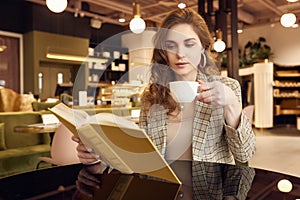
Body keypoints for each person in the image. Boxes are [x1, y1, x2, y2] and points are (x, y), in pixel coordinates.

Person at [72, 8, 255, 168]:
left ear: (203, 47)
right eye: (171, 46)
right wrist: (98, 157)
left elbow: (245, 154)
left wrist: (231, 103)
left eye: (189, 44)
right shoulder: (152, 96)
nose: (180, 54)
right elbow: (142, 156)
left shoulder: (227, 87)